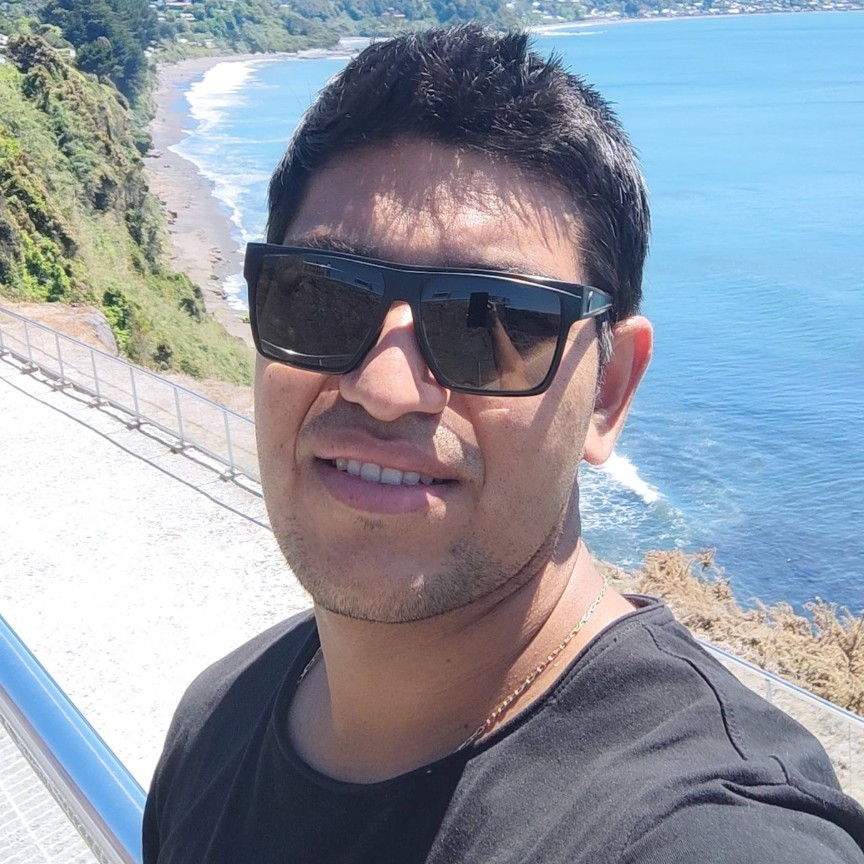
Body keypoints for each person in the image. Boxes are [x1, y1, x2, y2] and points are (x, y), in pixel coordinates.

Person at [143, 25, 864, 863]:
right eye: (319, 297)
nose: (385, 386)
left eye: (489, 321)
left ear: (609, 392)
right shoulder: (218, 714)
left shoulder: (704, 830)